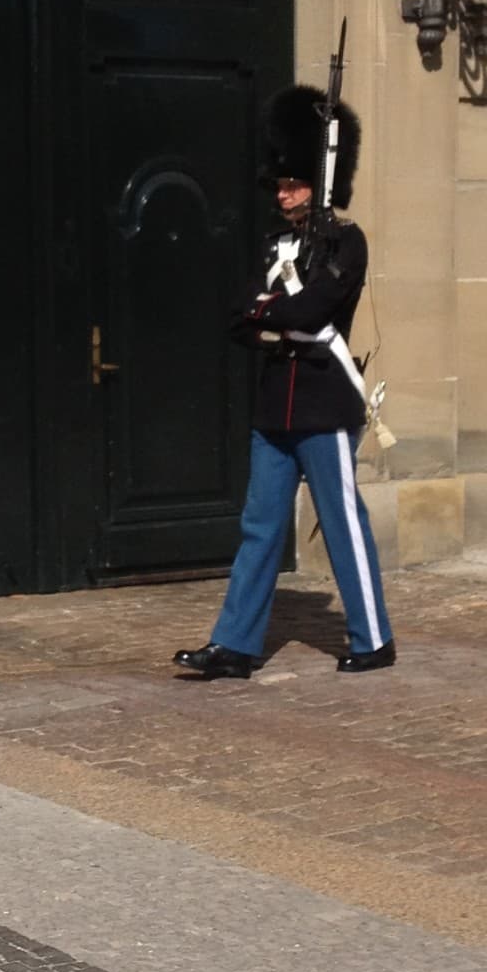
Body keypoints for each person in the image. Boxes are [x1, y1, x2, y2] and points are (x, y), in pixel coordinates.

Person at [174, 88, 395, 681]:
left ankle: (373, 636)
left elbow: (314, 311)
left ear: (318, 184)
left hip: (325, 401)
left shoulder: (346, 242)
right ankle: (236, 645)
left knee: (344, 526)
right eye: (279, 184)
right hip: (277, 405)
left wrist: (268, 314)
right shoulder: (275, 245)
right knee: (259, 526)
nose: (283, 193)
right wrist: (271, 315)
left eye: (294, 183)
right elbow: (236, 316)